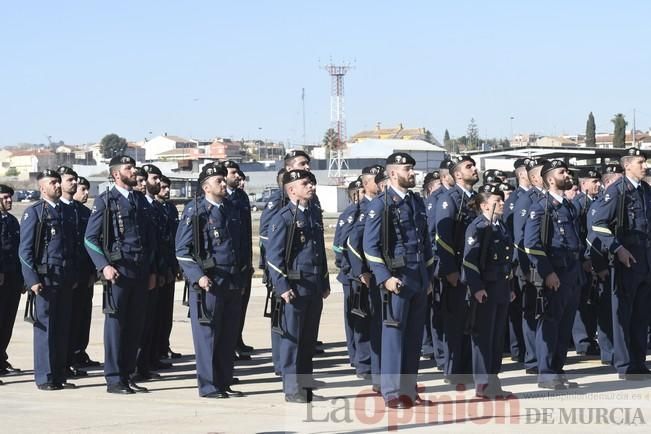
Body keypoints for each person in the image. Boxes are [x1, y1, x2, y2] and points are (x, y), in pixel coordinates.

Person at [363, 153, 434, 409]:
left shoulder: (415, 201)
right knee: (393, 337)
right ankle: (392, 392)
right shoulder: (381, 204)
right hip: (397, 279)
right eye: (407, 169)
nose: (412, 173)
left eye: (412, 169)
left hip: (417, 278)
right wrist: (385, 278)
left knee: (414, 337)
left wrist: (428, 276)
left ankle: (409, 390)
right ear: (393, 173)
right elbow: (370, 246)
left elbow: (424, 242)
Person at [84, 155, 156, 394]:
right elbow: (90, 238)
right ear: (116, 174)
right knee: (116, 327)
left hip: (140, 270)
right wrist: (103, 265)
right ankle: (114, 378)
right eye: (128, 168)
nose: (133, 171)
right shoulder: (106, 201)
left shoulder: (139, 200)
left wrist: (152, 270)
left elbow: (149, 239)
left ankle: (128, 374)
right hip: (118, 272)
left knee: (136, 326)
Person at [175, 163, 247, 398]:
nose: (224, 184)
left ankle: (224, 381)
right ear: (206, 186)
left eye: (224, 180)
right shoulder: (196, 211)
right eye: (219, 181)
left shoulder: (230, 209)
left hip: (232, 280)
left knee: (227, 336)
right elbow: (182, 250)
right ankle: (208, 386)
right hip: (210, 282)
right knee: (208, 336)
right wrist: (199, 276)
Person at [267, 169, 330, 403]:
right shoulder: (283, 218)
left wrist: (323, 281)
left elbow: (319, 253)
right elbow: (273, 257)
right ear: (292, 189)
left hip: (312, 286)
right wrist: (282, 286)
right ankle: (292, 389)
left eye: (311, 183)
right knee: (292, 340)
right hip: (294, 288)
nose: (311, 187)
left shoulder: (312, 215)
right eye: (305, 183)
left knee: (307, 341)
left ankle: (304, 386)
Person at [590, 148, 651, 380]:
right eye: (640, 162)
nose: (644, 166)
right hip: (627, 260)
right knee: (623, 315)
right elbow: (598, 224)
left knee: (641, 315)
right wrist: (617, 248)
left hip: (646, 260)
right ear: (627, 166)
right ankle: (625, 365)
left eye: (644, 162)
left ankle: (638, 362)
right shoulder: (617, 191)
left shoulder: (645, 190)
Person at [524, 159, 582, 390]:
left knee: (565, 325)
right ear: (550, 179)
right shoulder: (541, 207)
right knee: (550, 324)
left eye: (567, 171)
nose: (567, 175)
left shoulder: (568, 206)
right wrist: (547, 272)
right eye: (562, 172)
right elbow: (531, 244)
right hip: (555, 272)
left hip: (573, 272)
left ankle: (558, 370)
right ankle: (546, 372)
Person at [20, 169, 77, 390]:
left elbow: (71, 246)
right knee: (46, 329)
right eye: (52, 182)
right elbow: (25, 251)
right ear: (42, 188)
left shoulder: (65, 211)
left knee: (62, 328)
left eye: (57, 182)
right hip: (45, 278)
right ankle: (45, 377)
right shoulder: (34, 212)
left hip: (64, 277)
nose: (57, 185)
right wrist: (32, 279)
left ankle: (59, 374)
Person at [462, 184, 515, 399]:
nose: (502, 204)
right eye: (497, 201)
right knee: (483, 338)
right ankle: (483, 383)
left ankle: (494, 381)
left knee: (496, 338)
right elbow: (470, 261)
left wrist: (510, 287)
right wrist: (477, 288)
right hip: (485, 288)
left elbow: (507, 262)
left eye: (502, 200)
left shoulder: (500, 227)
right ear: (484, 205)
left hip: (501, 287)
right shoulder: (478, 227)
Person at [434, 155, 479, 387]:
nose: (474, 169)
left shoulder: (476, 199)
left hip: (475, 271)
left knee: (473, 321)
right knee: (456, 323)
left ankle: (471, 368)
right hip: (457, 271)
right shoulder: (449, 199)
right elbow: (442, 239)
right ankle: (454, 370)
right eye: (469, 166)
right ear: (457, 174)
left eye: (474, 165)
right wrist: (450, 270)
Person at [346, 165, 384, 392]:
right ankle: (363, 363)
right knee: (363, 320)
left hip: (381, 273)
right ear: (365, 183)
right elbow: (350, 242)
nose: (379, 184)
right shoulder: (361, 209)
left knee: (377, 321)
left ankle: (376, 364)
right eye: (375, 180)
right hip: (366, 274)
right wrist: (360, 270)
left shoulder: (382, 204)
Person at [513, 158, 548, 375]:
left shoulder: (546, 199)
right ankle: (532, 358)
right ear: (535, 178)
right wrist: (526, 269)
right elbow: (519, 237)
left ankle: (544, 357)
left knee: (544, 313)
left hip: (546, 265)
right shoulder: (527, 200)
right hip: (530, 266)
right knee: (532, 312)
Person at [133, 164, 168, 381]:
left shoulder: (152, 206)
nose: (144, 183)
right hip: (137, 273)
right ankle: (135, 367)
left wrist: (159, 270)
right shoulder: (137, 206)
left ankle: (146, 363)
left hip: (153, 271)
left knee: (150, 323)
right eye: (140, 180)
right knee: (138, 324)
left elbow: (157, 243)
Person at [56, 166, 91, 379]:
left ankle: (74, 357)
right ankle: (64, 362)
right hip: (64, 275)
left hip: (82, 273)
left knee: (79, 319)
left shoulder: (82, 211)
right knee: (64, 323)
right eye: (70, 180)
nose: (76, 184)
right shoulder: (54, 209)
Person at [222, 160, 255, 360]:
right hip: (228, 261)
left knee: (241, 304)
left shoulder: (241, 196)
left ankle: (237, 339)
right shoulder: (221, 198)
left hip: (243, 257)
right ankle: (229, 344)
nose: (237, 176)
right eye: (233, 172)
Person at [68, 176, 100, 370]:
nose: (86, 193)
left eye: (87, 189)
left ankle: (80, 351)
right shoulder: (68, 212)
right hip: (71, 273)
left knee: (83, 315)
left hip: (86, 273)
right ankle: (70, 354)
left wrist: (93, 272)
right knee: (70, 317)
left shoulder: (87, 213)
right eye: (82, 189)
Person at [571, 169, 602, 357]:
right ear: (583, 184)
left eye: (599, 181)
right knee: (582, 302)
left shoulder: (596, 202)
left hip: (594, 257)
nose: (598, 185)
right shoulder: (579, 204)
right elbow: (578, 234)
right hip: (584, 259)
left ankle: (590, 338)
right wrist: (585, 258)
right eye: (594, 181)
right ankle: (583, 341)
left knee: (591, 302)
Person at [502, 158, 530, 364]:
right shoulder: (515, 199)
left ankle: (524, 349)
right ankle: (517, 348)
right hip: (518, 260)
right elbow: (512, 233)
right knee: (518, 308)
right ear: (522, 175)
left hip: (528, 260)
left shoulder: (533, 197)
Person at [155, 174, 182, 361]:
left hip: (170, 264)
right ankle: (156, 349)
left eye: (167, 187)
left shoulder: (171, 209)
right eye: (163, 187)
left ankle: (164, 345)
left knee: (166, 312)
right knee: (156, 312)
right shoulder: (152, 208)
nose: (165, 190)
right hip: (158, 265)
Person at [0, 184, 23, 381]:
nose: (9, 200)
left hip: (13, 278)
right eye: (5, 197)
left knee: (7, 322)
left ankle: (1, 359)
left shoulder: (12, 221)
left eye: (10, 197)